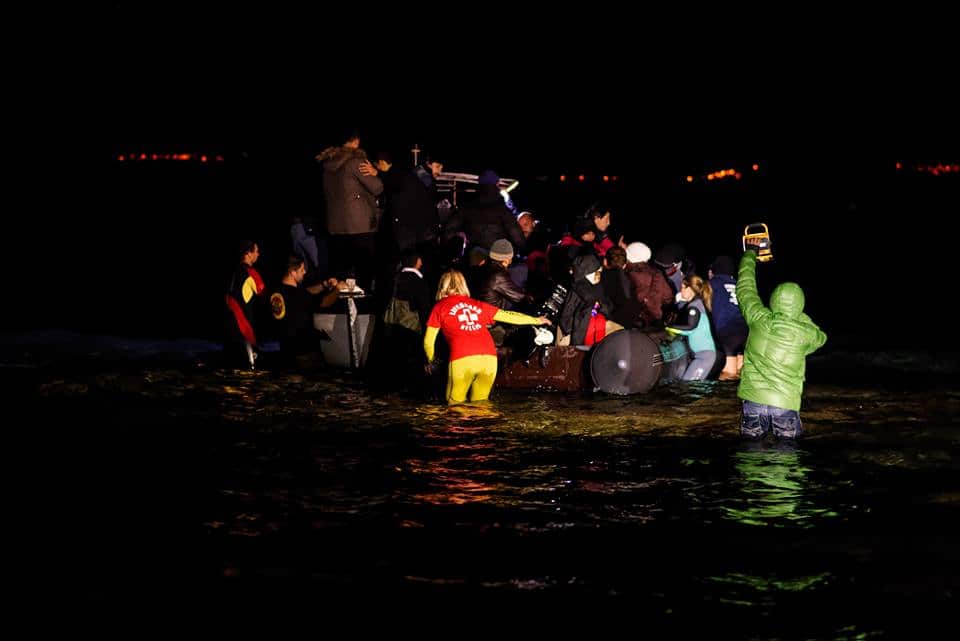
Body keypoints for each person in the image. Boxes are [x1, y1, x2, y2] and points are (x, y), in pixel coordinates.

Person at [737, 247, 827, 439]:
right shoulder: (806, 333)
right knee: (786, 459)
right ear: (801, 305)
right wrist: (798, 315)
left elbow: (745, 288)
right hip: (785, 405)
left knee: (750, 455)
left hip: (752, 401)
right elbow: (821, 337)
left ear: (772, 301)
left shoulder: (757, 317)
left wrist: (749, 254)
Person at [423, 270, 550, 404]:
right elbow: (509, 316)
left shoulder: (439, 307)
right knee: (481, 406)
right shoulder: (477, 304)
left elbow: (428, 342)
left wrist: (432, 362)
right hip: (489, 357)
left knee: (455, 408)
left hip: (462, 358)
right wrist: (536, 320)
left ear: (442, 287)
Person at [316, 129, 383, 291]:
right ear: (356, 141)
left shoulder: (327, 165)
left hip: (335, 227)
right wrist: (377, 173)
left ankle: (338, 309)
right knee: (363, 273)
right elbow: (377, 187)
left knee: (340, 275)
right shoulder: (356, 162)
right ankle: (362, 309)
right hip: (359, 226)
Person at [270, 255, 338, 366]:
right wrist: (338, 290)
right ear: (292, 272)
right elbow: (325, 302)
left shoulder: (275, 291)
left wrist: (324, 285)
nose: (305, 272)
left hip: (286, 351)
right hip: (304, 352)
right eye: (301, 269)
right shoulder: (299, 296)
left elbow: (306, 292)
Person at [666, 274, 716, 381]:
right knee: (693, 387)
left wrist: (669, 327)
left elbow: (690, 328)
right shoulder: (695, 304)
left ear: (690, 289)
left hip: (704, 356)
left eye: (683, 287)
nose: (681, 290)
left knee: (690, 385)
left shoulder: (695, 306)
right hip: (702, 355)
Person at [225, 240, 265, 368]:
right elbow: (268, 296)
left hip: (228, 330)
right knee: (250, 371)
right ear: (248, 253)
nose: (258, 254)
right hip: (244, 330)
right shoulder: (251, 273)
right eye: (256, 251)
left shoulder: (233, 272)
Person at [708, 255, 749, 380]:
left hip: (727, 334)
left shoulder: (712, 284)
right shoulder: (739, 285)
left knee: (728, 375)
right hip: (745, 332)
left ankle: (725, 400)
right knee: (740, 373)